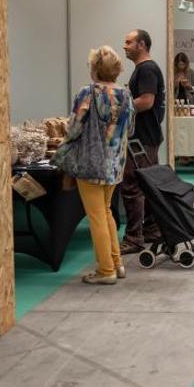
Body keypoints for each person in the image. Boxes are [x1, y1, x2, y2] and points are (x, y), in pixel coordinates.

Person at [64, 46, 134, 284]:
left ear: (95, 68)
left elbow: (74, 128)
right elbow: (130, 129)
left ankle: (106, 271)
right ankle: (116, 263)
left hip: (91, 163)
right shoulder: (125, 94)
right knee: (106, 212)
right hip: (115, 163)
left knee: (96, 216)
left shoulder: (87, 93)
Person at [120, 29, 165, 254]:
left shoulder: (147, 69)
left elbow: (147, 102)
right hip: (145, 138)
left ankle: (134, 237)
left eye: (129, 42)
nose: (125, 46)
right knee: (146, 185)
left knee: (132, 186)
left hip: (142, 139)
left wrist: (118, 107)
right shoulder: (143, 69)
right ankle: (151, 229)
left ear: (142, 45)